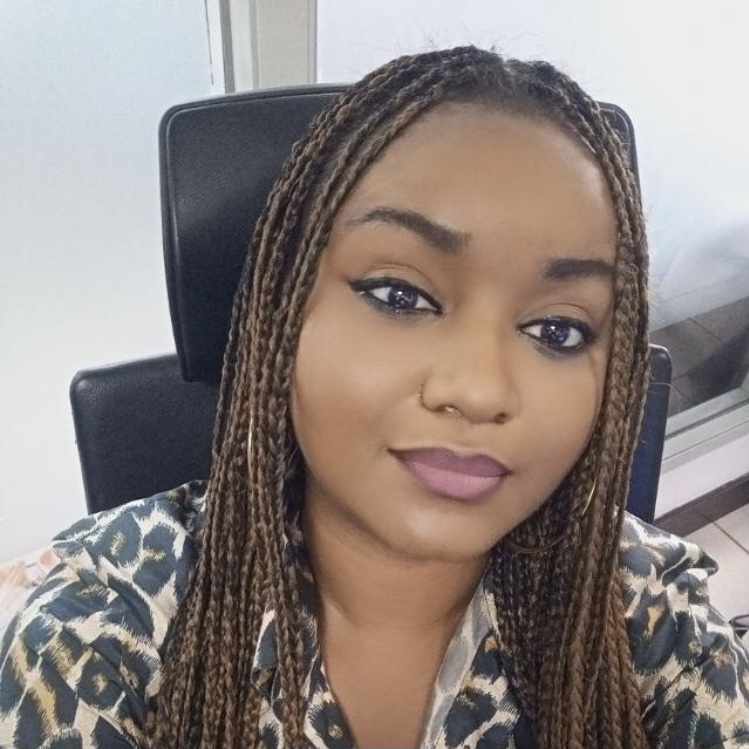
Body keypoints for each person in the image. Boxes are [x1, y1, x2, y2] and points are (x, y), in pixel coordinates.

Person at [1, 46, 748, 749]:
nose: (480, 390)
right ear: (284, 310)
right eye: (399, 294)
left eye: (557, 330)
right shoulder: (92, 635)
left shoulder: (652, 617)